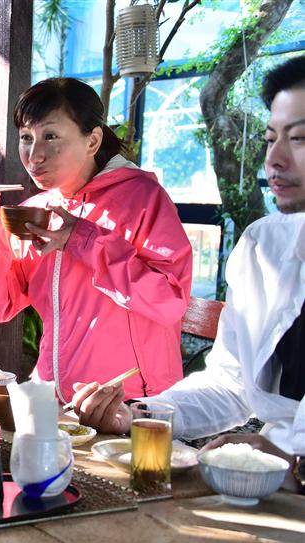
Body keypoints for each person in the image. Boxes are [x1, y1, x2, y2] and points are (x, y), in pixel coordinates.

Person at [69, 55, 305, 493]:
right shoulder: (262, 247)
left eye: (301, 138)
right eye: (272, 138)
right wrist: (138, 414)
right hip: (262, 489)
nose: (275, 158)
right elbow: (230, 385)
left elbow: (163, 294)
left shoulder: (139, 195)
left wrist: (293, 463)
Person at [0, 78, 193, 402]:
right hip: (54, 400)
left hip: (127, 403)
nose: (34, 155)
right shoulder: (39, 211)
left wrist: (83, 240)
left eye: (51, 136)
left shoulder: (143, 199)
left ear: (93, 141)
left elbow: (169, 300)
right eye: (26, 138)